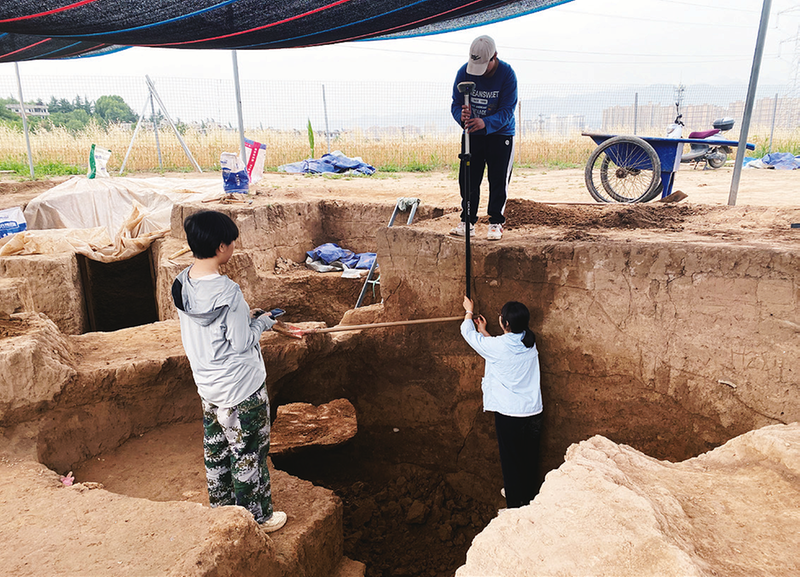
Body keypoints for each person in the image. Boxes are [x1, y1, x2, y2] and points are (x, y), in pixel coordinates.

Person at [171, 210, 287, 533]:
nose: (234, 246)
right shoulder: (228, 293)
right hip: (241, 390)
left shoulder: (182, 284)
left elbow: (213, 328)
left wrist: (243, 317)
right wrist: (263, 322)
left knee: (217, 452)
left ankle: (221, 512)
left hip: (209, 387)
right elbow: (241, 342)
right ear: (221, 247)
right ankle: (256, 519)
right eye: (232, 241)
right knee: (249, 454)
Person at [460, 296, 542, 508]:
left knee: (511, 460)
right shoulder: (529, 341)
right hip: (533, 413)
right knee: (528, 458)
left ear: (504, 323)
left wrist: (469, 312)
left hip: (510, 415)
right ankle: (527, 498)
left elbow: (467, 334)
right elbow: (500, 350)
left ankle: (515, 507)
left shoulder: (499, 347)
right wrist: (485, 332)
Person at [450, 35, 518, 241]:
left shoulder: (507, 75)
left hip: (500, 134)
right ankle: (468, 221)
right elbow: (456, 104)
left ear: (494, 57)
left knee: (498, 179)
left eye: (484, 66)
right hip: (472, 134)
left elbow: (507, 110)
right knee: (468, 179)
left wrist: (486, 123)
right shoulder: (464, 72)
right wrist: (461, 117)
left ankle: (496, 222)